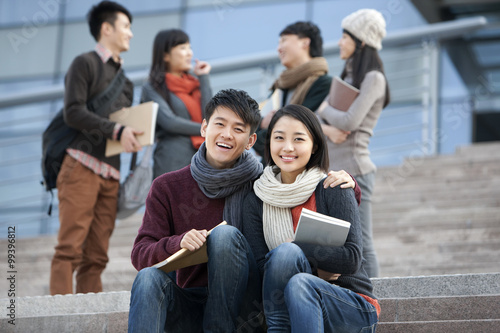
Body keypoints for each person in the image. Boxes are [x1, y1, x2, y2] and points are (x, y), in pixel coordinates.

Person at [128, 89, 358, 332]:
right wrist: (178, 243)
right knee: (147, 279)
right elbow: (140, 254)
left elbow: (303, 189)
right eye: (220, 124)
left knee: (224, 235)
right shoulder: (167, 187)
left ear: (251, 141)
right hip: (191, 301)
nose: (227, 135)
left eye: (238, 129)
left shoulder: (264, 184)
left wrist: (348, 184)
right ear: (204, 128)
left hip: (246, 304)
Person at [243, 104, 380, 332]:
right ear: (269, 143)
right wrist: (317, 266)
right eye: (279, 138)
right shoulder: (256, 198)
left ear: (314, 145)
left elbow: (352, 258)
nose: (287, 147)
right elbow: (260, 266)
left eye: (298, 139)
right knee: (294, 272)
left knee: (296, 275)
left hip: (349, 303)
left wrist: (298, 251)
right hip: (287, 305)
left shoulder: (334, 186)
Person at [49, 1, 141, 295]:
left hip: (111, 174)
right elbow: (72, 112)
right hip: (80, 165)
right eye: (126, 26)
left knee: (97, 256)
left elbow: (119, 127)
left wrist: (131, 136)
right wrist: (117, 129)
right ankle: (58, 316)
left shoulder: (126, 83)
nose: (131, 34)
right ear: (107, 28)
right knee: (69, 249)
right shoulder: (85, 63)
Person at [317, 8, 390, 278]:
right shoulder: (349, 77)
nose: (339, 42)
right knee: (341, 244)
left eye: (345, 36)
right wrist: (325, 121)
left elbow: (349, 121)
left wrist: (324, 108)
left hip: (356, 170)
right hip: (334, 172)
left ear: (360, 41)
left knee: (364, 244)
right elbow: (315, 119)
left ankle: (374, 301)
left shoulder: (374, 78)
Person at [142, 29, 212, 179]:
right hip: (172, 163)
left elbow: (210, 115)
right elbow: (170, 122)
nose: (189, 53)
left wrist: (204, 78)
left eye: (190, 48)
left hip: (202, 162)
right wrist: (209, 129)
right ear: (165, 55)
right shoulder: (153, 87)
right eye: (183, 48)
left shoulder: (194, 84)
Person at [254, 21, 331, 157]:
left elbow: (297, 126)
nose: (279, 49)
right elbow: (257, 122)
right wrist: (263, 124)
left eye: (283, 41)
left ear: (305, 43)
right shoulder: (282, 83)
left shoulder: (323, 83)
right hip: (271, 169)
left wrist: (262, 130)